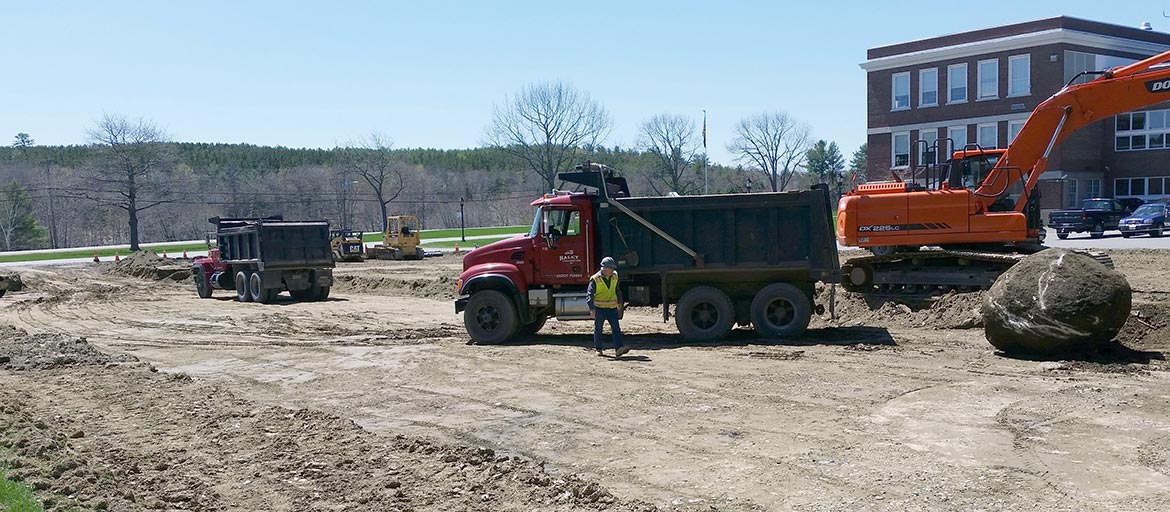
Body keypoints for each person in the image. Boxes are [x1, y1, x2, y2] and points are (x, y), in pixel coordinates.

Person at [588, 256, 628, 357]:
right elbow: (590, 295)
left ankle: (619, 348)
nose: (613, 271)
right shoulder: (595, 279)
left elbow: (617, 290)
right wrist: (592, 309)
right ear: (605, 268)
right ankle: (599, 349)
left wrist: (619, 303)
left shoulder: (615, 276)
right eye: (611, 269)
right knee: (598, 329)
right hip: (599, 308)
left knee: (616, 328)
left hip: (612, 308)